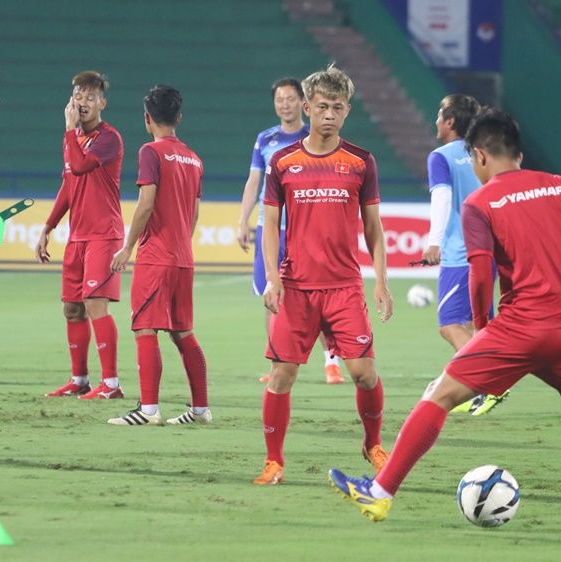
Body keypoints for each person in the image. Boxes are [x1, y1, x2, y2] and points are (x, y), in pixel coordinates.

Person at [330, 109, 561, 539]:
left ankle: (380, 492)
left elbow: (480, 274)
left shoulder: (478, 203)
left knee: (439, 395)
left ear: (479, 156)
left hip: (520, 329)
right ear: (519, 154)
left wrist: (483, 328)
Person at [253, 65, 393, 485]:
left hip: (344, 288)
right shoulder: (283, 162)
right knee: (282, 376)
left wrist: (381, 281)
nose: (329, 114)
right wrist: (273, 279)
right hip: (296, 287)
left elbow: (374, 227)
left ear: (347, 110)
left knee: (363, 373)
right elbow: (271, 225)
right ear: (307, 108)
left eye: (337, 107)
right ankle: (274, 461)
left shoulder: (361, 161)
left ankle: (373, 444)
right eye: (322, 107)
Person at [107, 84, 211, 427]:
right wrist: (180, 243)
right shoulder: (194, 158)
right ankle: (200, 410)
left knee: (145, 328)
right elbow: (194, 212)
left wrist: (127, 246)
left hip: (156, 257)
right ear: (179, 117)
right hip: (183, 258)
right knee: (183, 332)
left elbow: (146, 203)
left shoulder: (150, 152)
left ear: (147, 119)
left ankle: (149, 409)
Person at [236, 78, 343, 385]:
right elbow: (253, 182)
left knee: (314, 298)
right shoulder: (265, 139)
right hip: (269, 228)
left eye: (290, 99)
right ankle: (277, 364)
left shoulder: (314, 138)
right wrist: (243, 220)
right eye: (279, 100)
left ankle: (331, 362)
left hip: (304, 230)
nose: (285, 105)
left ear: (303, 103)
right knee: (270, 294)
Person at [37, 71, 126, 400]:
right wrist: (48, 226)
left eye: (90, 97)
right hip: (78, 236)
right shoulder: (73, 139)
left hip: (104, 235)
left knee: (95, 304)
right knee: (72, 309)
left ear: (102, 103)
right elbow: (69, 183)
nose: (83, 102)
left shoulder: (109, 138)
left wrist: (68, 130)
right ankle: (79, 379)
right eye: (78, 96)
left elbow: (80, 166)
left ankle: (111, 384)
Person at [420, 94, 508, 416]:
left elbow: (442, 198)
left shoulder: (441, 157)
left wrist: (434, 242)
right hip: (491, 251)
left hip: (461, 254)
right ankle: (479, 389)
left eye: (439, 115)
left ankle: (492, 384)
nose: (436, 121)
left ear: (450, 121)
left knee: (449, 324)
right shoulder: (484, 153)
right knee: (477, 325)